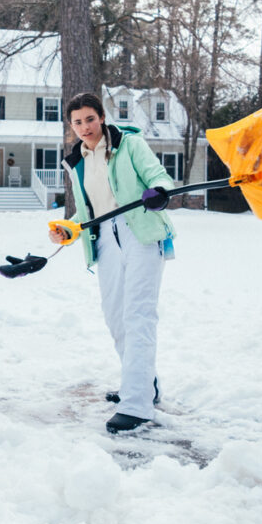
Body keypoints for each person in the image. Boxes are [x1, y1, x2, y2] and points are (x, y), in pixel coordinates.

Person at [51, 92, 176, 434]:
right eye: (77, 122)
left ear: (102, 117)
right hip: (104, 237)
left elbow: (159, 177)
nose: (84, 127)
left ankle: (137, 404)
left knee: (138, 314)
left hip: (141, 230)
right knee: (115, 316)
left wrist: (159, 193)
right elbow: (87, 211)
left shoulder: (130, 145)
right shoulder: (77, 160)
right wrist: (69, 228)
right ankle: (143, 384)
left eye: (89, 119)